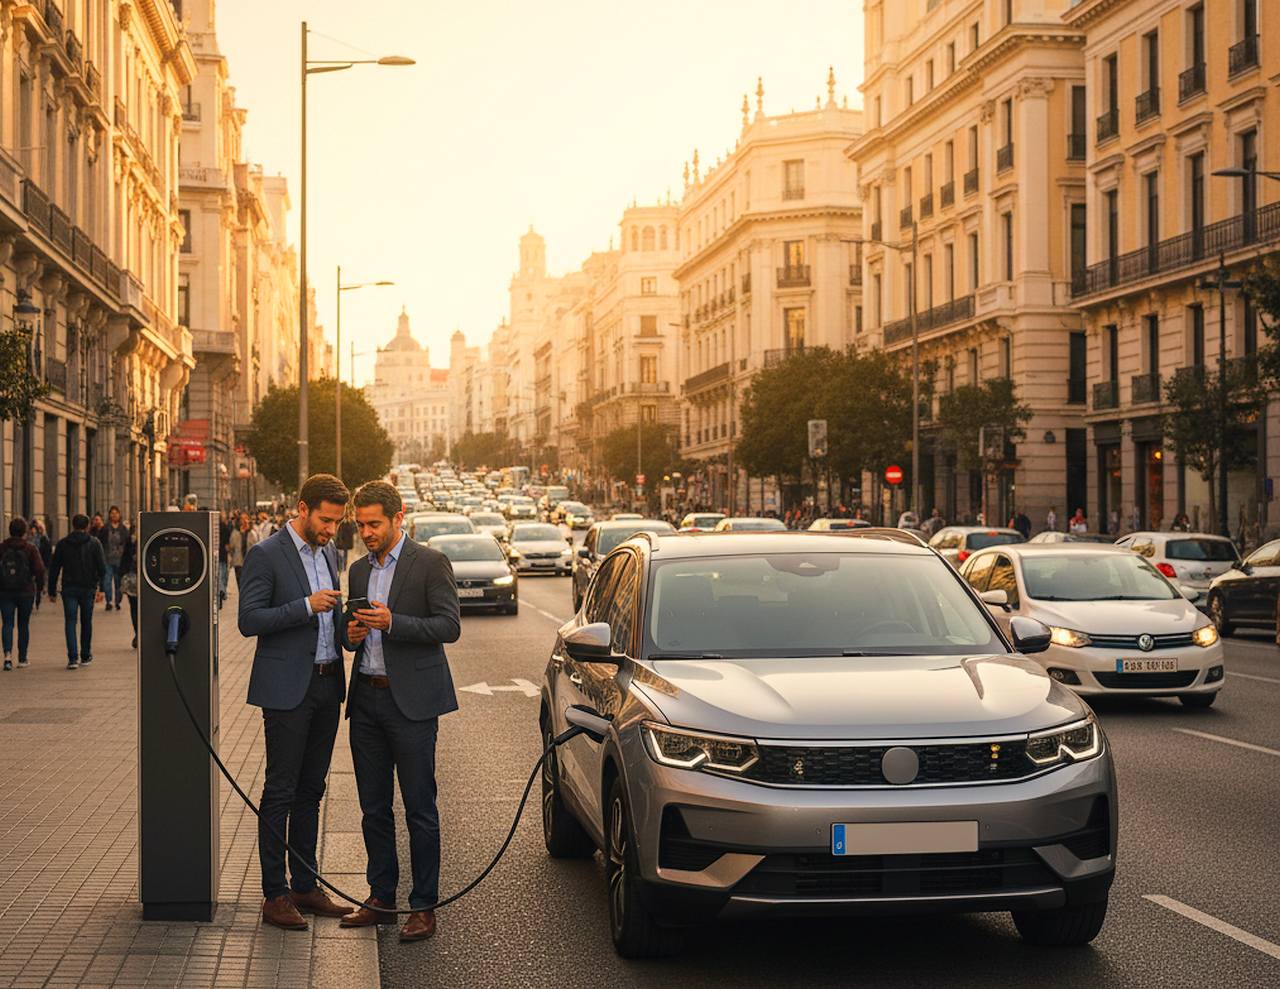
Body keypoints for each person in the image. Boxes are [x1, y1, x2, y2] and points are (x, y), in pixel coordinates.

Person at [339, 479, 461, 944]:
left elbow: (449, 626)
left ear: (398, 517)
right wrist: (350, 637)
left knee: (419, 809)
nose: (366, 533)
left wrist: (394, 622)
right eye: (361, 525)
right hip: (366, 700)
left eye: (374, 525)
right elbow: (349, 632)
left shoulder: (429, 562)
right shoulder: (356, 570)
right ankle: (381, 897)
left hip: (411, 703)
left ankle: (423, 906)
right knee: (372, 807)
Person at [238, 474, 354, 931]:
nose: (331, 529)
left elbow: (334, 619)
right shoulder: (265, 554)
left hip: (327, 684)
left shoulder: (329, 553)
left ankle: (305, 885)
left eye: (337, 522)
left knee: (312, 790)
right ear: (302, 509)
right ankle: (274, 894)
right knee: (281, 790)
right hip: (288, 690)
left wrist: (351, 632)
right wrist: (306, 605)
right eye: (326, 520)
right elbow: (250, 620)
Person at [48, 514, 107, 670]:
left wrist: (51, 590)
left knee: (70, 621)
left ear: (72, 525)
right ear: (87, 526)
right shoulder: (94, 543)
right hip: (88, 588)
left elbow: (54, 568)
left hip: (69, 588)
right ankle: (86, 655)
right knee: (86, 621)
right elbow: (102, 568)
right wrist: (102, 589)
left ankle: (72, 658)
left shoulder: (62, 544)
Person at [1, 518, 45, 670]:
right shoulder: (30, 548)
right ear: (25, 531)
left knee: (7, 623)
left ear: (10, 530)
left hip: (5, 591)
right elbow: (39, 570)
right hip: (26, 591)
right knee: (23, 624)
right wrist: (39, 588)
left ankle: (7, 657)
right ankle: (22, 658)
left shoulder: (2, 547)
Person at [99, 506, 129, 611]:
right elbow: (100, 543)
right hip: (107, 559)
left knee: (118, 582)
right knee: (107, 581)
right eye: (112, 513)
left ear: (119, 515)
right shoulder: (105, 528)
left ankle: (118, 601)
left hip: (120, 560)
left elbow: (127, 544)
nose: (114, 515)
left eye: (116, 513)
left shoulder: (123, 529)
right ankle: (109, 601)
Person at [119, 528, 139, 649]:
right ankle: (137, 633)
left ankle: (142, 633)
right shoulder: (131, 541)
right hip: (132, 578)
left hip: (148, 579)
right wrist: (122, 575)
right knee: (134, 608)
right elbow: (125, 558)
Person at [227, 514, 256, 593]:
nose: (244, 521)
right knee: (240, 583)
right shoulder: (235, 532)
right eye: (242, 520)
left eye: (246, 519)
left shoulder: (252, 532)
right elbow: (232, 545)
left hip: (250, 562)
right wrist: (240, 533)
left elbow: (256, 544)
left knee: (249, 584)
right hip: (239, 562)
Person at [218, 510, 232, 610]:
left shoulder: (213, 527)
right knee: (223, 574)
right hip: (223, 554)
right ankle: (223, 590)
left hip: (216, 553)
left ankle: (221, 590)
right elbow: (228, 543)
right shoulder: (225, 527)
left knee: (218, 574)